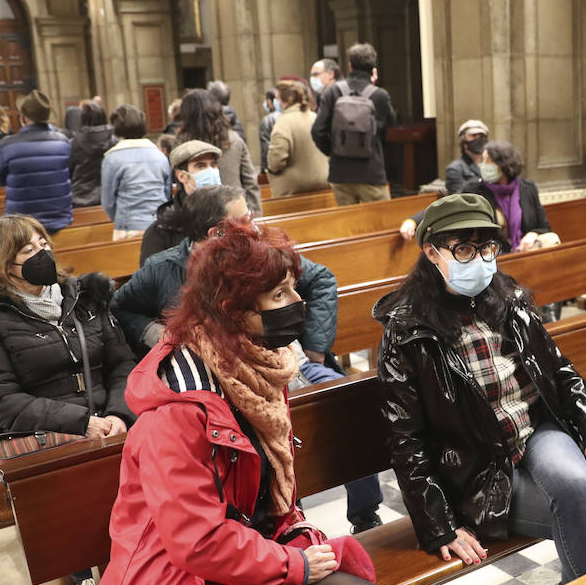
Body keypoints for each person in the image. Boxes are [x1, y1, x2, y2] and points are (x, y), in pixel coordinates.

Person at [75, 219, 396, 585]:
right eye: (279, 296)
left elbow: (269, 497)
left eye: (292, 290)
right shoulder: (178, 409)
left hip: (241, 554)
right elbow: (195, 541)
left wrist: (292, 537)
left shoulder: (250, 371)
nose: (296, 304)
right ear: (232, 309)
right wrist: (292, 565)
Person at [375, 194, 586, 584]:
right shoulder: (408, 329)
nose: (479, 259)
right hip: (477, 467)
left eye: (487, 247)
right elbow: (405, 438)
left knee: (579, 488)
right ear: (432, 252)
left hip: (536, 432)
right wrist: (439, 525)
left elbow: (561, 371)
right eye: (463, 249)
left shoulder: (508, 300)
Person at [112, 185, 386, 532]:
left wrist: (314, 345)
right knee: (263, 436)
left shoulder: (262, 254)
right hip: (233, 376)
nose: (253, 226)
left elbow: (321, 280)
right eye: (244, 220)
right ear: (218, 233)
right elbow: (120, 306)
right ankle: (284, 522)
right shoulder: (164, 269)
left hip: (291, 362)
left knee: (350, 405)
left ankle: (363, 514)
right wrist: (153, 331)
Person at [0, 214, 135, 439]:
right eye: (27, 251)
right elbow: (2, 400)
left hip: (110, 420)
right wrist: (81, 423)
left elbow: (122, 365)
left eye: (43, 245)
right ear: (1, 266)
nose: (42, 255)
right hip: (46, 431)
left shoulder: (85, 295)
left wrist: (119, 415)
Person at [311, 42, 396, 205]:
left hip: (340, 174)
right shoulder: (380, 95)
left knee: (348, 226)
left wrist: (335, 150)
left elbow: (317, 131)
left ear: (350, 65)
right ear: (373, 68)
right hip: (371, 172)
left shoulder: (332, 92)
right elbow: (391, 127)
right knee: (380, 223)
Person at [141, 140, 247, 264]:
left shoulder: (232, 215)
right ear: (182, 176)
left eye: (213, 165)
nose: (210, 171)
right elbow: (154, 276)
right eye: (200, 166)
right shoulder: (162, 229)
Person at [0, 90, 73, 233]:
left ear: (23, 118)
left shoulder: (5, 146)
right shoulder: (63, 142)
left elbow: (1, 181)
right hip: (59, 220)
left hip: (21, 226)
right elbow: (67, 176)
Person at [397, 118, 488, 242]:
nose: (479, 139)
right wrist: (413, 221)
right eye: (474, 136)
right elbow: (458, 201)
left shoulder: (491, 166)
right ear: (464, 142)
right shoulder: (455, 168)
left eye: (482, 136)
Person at [462, 140, 559, 252]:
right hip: (493, 253)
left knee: (551, 238)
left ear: (503, 164)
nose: (482, 165)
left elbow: (544, 226)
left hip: (524, 249)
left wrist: (533, 234)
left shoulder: (528, 188)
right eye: (482, 160)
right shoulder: (473, 191)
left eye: (488, 161)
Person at [175, 89, 260, 215]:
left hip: (198, 215)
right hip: (235, 212)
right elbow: (250, 182)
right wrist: (255, 215)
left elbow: (180, 183)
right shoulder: (234, 140)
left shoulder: (182, 144)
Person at [100, 104, 171, 239]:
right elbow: (166, 193)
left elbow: (108, 201)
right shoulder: (159, 155)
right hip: (160, 225)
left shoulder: (112, 158)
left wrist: (120, 219)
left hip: (128, 226)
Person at [264, 80, 329, 197]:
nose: (276, 102)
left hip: (293, 189)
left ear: (286, 100)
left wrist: (271, 170)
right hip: (323, 184)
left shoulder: (283, 122)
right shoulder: (315, 117)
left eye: (277, 98)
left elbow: (276, 160)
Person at [68, 99, 115, 208]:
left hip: (80, 202)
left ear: (82, 119)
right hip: (109, 200)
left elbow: (67, 174)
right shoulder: (115, 143)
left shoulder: (73, 144)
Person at [258, 87, 280, 170]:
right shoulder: (291, 116)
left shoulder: (267, 120)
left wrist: (263, 170)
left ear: (269, 101)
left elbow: (266, 149)